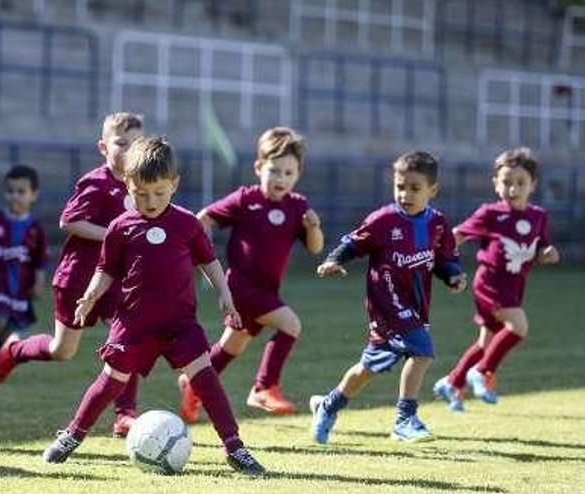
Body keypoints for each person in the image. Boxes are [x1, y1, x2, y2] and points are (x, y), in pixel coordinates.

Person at [41, 136, 266, 475]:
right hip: (133, 323)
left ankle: (234, 446)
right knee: (111, 380)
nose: (150, 201)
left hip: (179, 323)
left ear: (174, 185)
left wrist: (225, 292)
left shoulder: (187, 223)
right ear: (128, 185)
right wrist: (91, 295)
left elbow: (209, 261)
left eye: (159, 193)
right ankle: (73, 435)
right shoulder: (120, 227)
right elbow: (106, 269)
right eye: (141, 193)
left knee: (205, 378)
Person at [0, 112, 143, 437]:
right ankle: (15, 350)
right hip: (78, 279)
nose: (129, 150)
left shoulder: (140, 186)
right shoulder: (96, 182)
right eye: (121, 143)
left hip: (116, 282)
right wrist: (113, 235)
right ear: (103, 147)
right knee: (63, 350)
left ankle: (125, 414)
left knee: (127, 341)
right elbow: (69, 221)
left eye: (135, 144)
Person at [310, 151, 467, 444]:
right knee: (422, 351)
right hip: (386, 304)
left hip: (416, 306)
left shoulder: (439, 225)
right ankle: (404, 419)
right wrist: (335, 260)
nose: (405, 194)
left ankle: (328, 404)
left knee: (368, 368)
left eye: (415, 188)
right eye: (400, 187)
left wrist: (453, 276)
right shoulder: (384, 220)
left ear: (433, 190)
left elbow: (444, 258)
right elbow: (354, 243)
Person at [178, 127, 323, 422]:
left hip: (268, 291)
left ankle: (195, 383)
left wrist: (314, 228)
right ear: (259, 168)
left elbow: (314, 248)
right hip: (242, 287)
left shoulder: (298, 206)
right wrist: (187, 241)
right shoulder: (246, 199)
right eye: (274, 170)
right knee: (290, 325)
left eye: (288, 172)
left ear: (298, 174)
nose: (281, 178)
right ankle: (264, 387)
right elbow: (205, 217)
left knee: (233, 344)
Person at [433, 148, 560, 411]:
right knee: (519, 327)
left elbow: (542, 249)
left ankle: (452, 382)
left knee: (485, 343)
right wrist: (439, 256)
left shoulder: (539, 216)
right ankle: (482, 372)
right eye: (506, 182)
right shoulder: (490, 213)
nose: (513, 189)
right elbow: (457, 234)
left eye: (520, 183)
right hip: (490, 283)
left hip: (514, 286)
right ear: (495, 183)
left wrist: (548, 254)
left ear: (533, 185)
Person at [0, 164, 48, 378]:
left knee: (9, 330)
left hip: (20, 288)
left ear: (34, 195)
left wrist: (39, 284)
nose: (15, 196)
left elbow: (40, 261)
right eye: (10, 191)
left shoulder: (36, 229)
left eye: (21, 192)